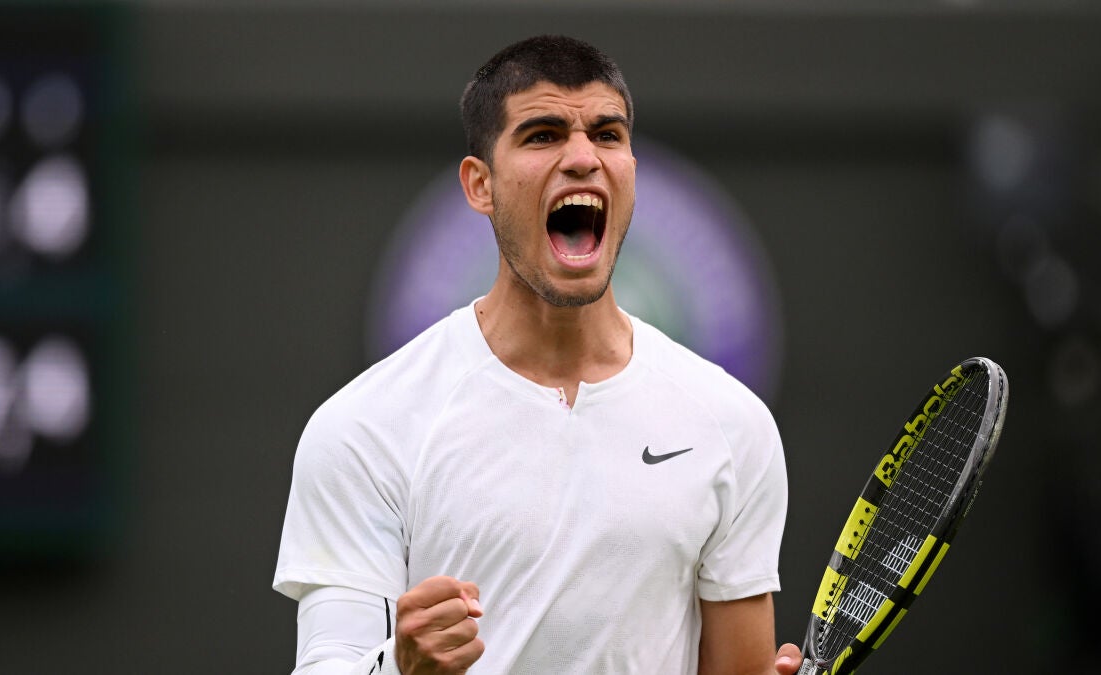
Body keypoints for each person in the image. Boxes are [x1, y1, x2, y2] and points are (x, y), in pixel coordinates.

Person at [273, 35, 802, 674]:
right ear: (480, 185)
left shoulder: (731, 424)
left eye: (607, 135)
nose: (582, 157)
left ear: (631, 171)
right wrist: (399, 667)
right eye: (543, 135)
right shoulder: (362, 427)